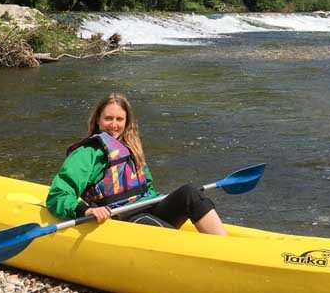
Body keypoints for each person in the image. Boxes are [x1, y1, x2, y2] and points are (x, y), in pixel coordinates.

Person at [46, 92, 229, 236]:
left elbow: (147, 187)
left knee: (190, 192)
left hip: (147, 206)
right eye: (108, 118)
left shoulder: (131, 148)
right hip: (121, 217)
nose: (114, 125)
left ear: (127, 122)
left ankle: (226, 249)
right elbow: (58, 195)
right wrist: (85, 211)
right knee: (155, 227)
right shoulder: (87, 153)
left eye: (119, 119)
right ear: (97, 121)